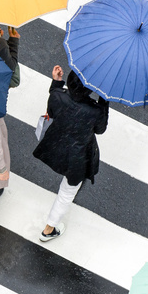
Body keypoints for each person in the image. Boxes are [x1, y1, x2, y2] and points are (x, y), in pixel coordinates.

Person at [32, 65, 109, 242]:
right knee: (67, 192)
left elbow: (52, 109)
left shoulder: (58, 95)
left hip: (56, 146)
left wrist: (56, 83)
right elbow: (100, 129)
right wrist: (104, 100)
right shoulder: (94, 110)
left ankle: (51, 228)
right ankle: (49, 228)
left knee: (68, 189)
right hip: (78, 157)